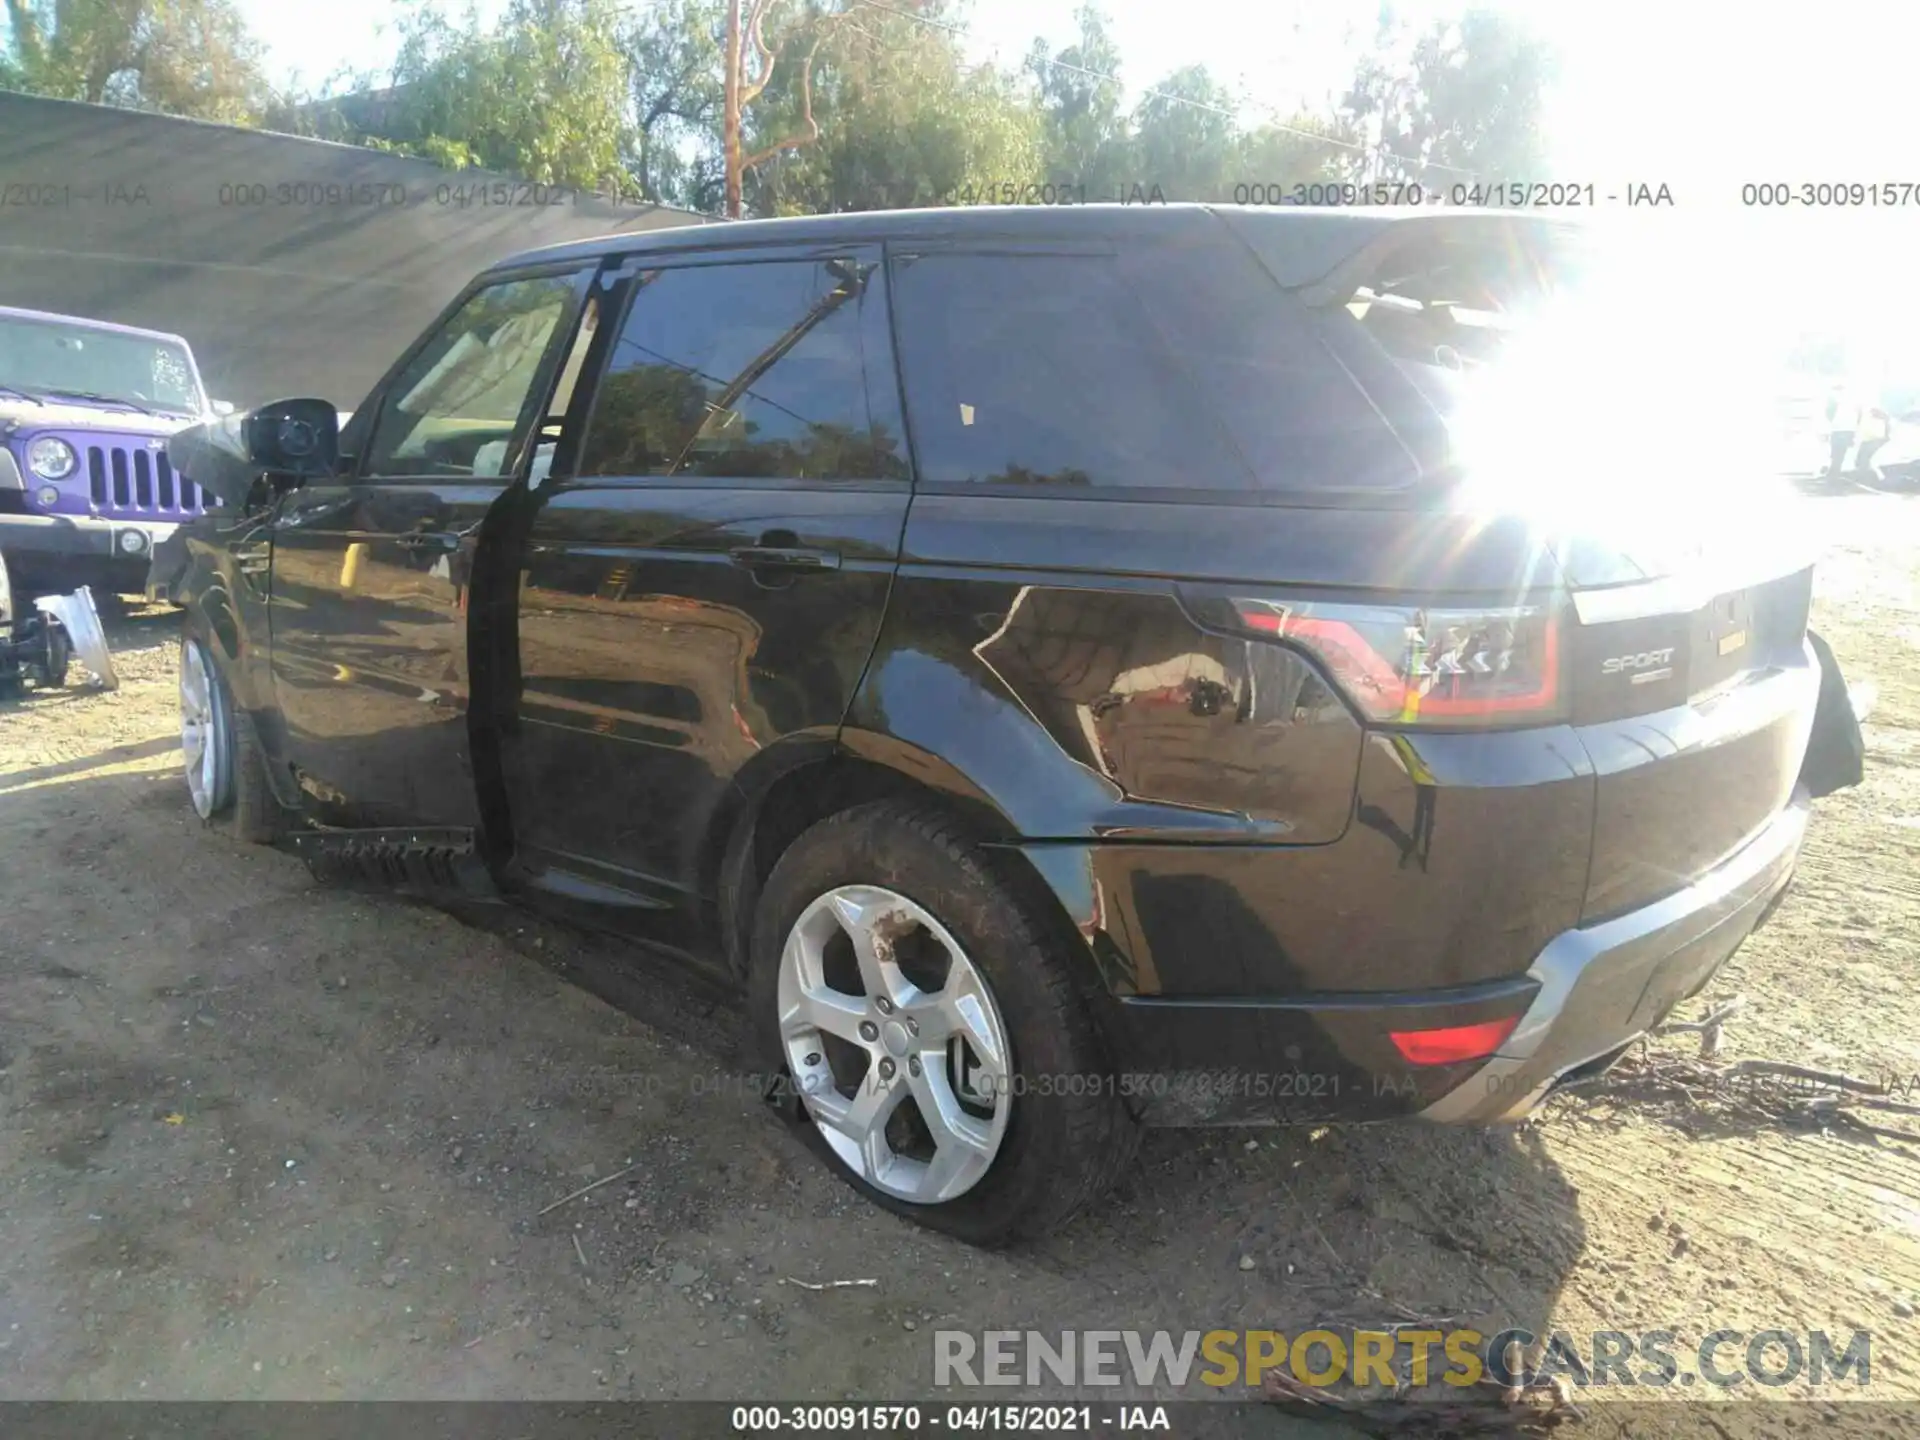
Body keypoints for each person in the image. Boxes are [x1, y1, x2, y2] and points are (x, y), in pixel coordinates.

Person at [1826, 386, 1859, 480]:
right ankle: (1834, 472)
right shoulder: (1853, 398)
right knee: (1841, 452)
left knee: (1836, 453)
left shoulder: (1833, 398)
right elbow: (1858, 413)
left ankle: (1833, 474)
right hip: (1849, 428)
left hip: (1837, 428)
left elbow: (1829, 413)